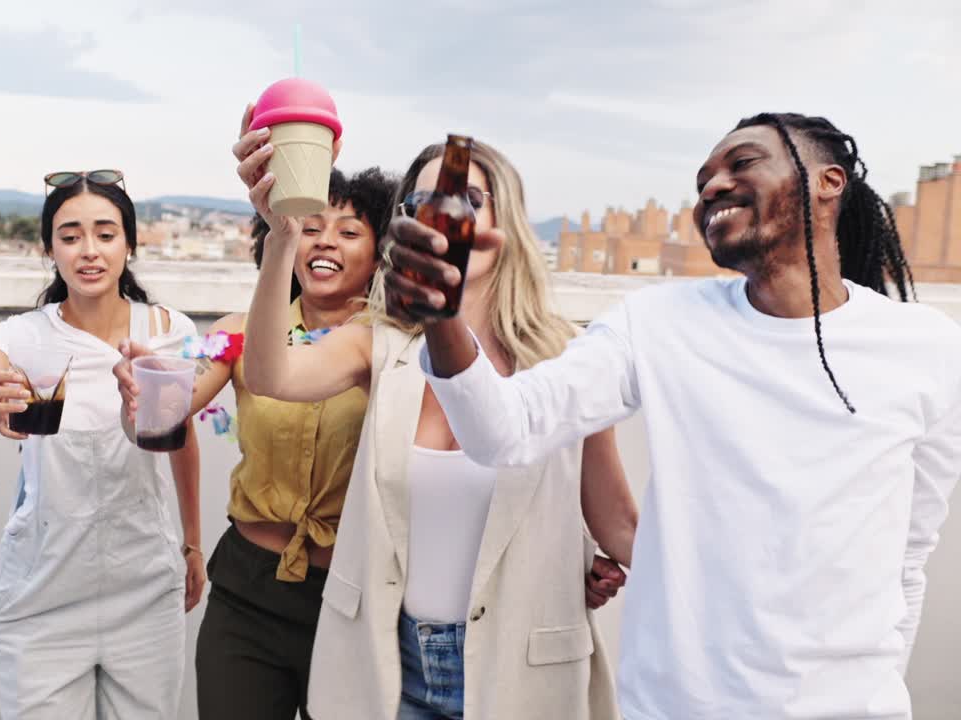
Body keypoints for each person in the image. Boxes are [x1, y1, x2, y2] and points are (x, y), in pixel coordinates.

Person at [387, 113, 961, 720]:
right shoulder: (655, 322)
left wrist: (876, 692)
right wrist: (442, 317)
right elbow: (503, 431)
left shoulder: (926, 347)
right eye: (702, 178)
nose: (712, 186)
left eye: (741, 163)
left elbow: (908, 557)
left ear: (828, 180)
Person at [232, 110, 635, 720]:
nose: (444, 217)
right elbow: (271, 376)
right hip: (388, 672)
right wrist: (282, 237)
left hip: (516, 678)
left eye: (468, 197)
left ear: (507, 222)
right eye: (420, 204)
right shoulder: (384, 340)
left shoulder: (565, 357)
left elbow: (619, 526)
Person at [117, 163, 402, 720]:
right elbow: (155, 422)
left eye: (348, 232)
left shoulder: (395, 344)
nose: (325, 242)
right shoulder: (238, 333)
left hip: (354, 595)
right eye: (312, 227)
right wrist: (142, 391)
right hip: (247, 592)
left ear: (379, 252)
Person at [0, 170, 202, 720]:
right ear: (49, 248)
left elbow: (180, 439)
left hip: (144, 589)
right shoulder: (19, 337)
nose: (89, 251)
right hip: (42, 595)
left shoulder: (167, 329)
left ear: (130, 243)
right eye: (70, 235)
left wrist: (193, 543)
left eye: (106, 234)